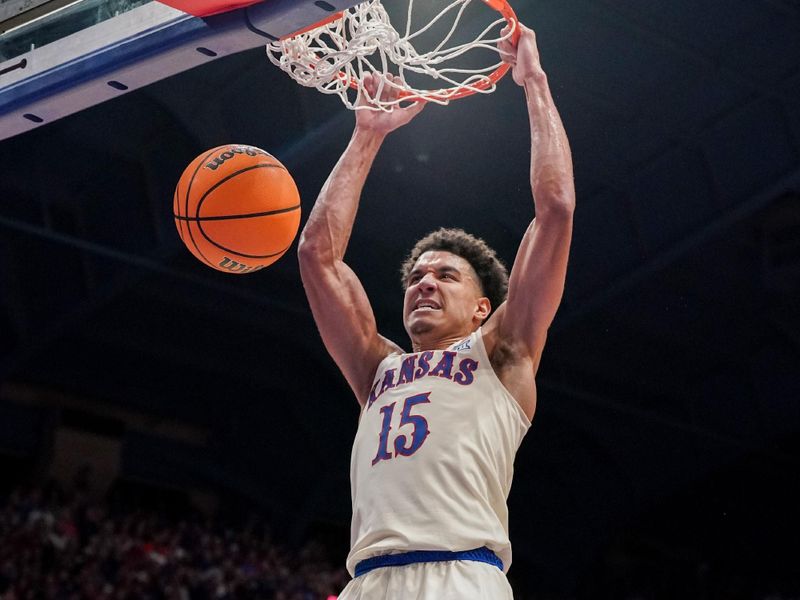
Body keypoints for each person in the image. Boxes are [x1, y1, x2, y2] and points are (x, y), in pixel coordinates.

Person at [297, 21, 574, 600]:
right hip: (367, 582)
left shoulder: (502, 352)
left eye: (445, 275)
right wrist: (366, 135)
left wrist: (534, 82)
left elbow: (555, 211)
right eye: (416, 276)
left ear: (481, 307)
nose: (424, 283)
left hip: (460, 576)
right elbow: (318, 257)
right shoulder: (378, 370)